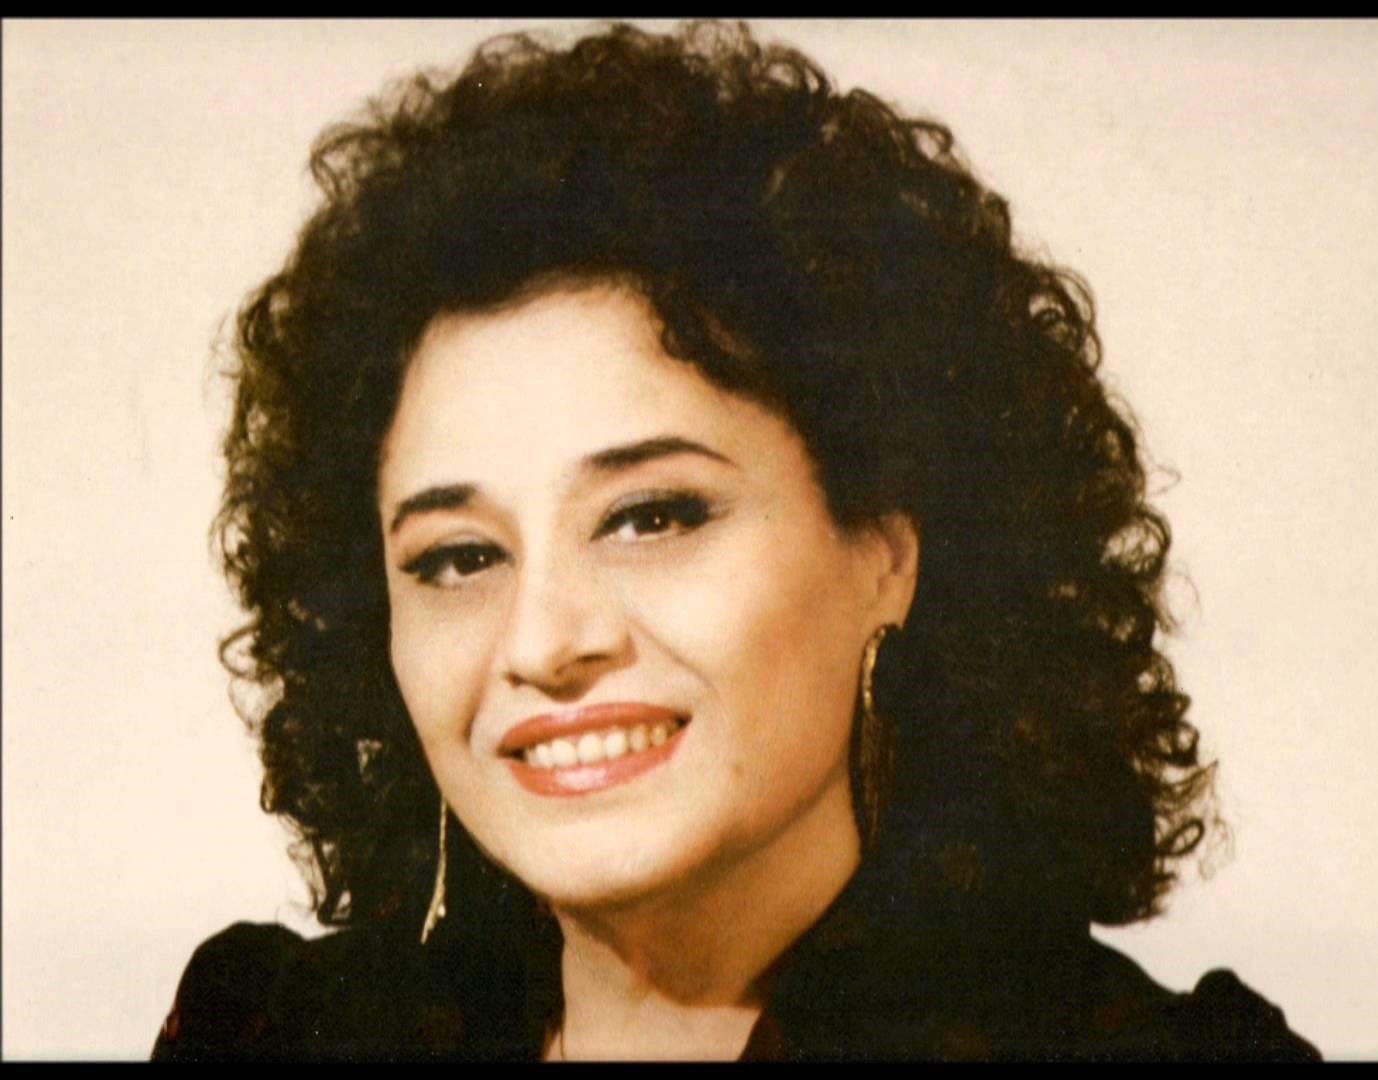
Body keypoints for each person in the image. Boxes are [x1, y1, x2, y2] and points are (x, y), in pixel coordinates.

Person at [154, 21, 1318, 1061]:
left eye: (651, 517)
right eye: (459, 557)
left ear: (887, 549)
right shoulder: (265, 1033)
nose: (544, 643)